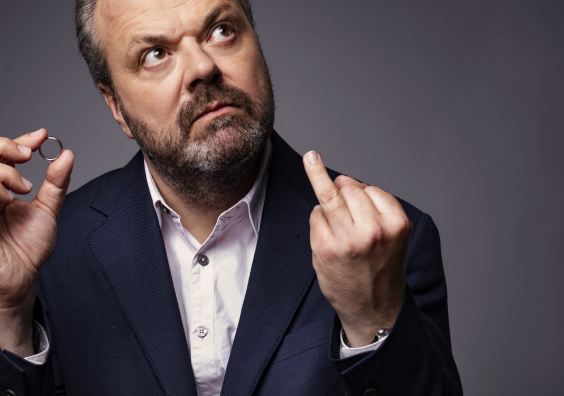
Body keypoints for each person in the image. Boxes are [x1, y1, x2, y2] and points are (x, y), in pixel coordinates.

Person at [0, 0, 462, 394]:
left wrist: (372, 319)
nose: (202, 68)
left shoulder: (387, 239)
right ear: (116, 107)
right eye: (156, 54)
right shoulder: (50, 256)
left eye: (222, 30)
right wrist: (5, 314)